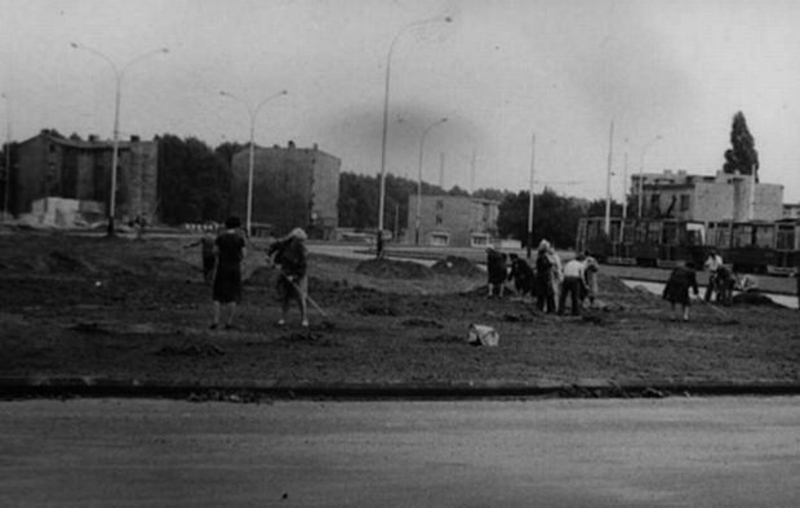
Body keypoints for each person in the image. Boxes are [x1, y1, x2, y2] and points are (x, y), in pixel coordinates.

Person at [268, 227, 309, 327]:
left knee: (300, 296)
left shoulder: (302, 251)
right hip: (285, 272)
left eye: (302, 240)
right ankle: (283, 318)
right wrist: (269, 257)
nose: (300, 242)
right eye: (298, 240)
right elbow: (273, 247)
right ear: (293, 238)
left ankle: (304, 318)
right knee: (285, 296)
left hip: (298, 274)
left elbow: (303, 267)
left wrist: (294, 276)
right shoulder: (284, 244)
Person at [211, 216, 246, 330]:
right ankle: (229, 322)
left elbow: (214, 251)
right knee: (233, 296)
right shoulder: (240, 239)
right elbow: (244, 255)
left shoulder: (220, 238)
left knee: (217, 296)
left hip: (222, 267)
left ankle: (215, 321)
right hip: (235, 268)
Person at [535, 240, 557, 313]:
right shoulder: (543, 257)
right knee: (549, 294)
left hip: (541, 277)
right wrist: (551, 264)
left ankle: (540, 308)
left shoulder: (540, 257)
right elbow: (545, 265)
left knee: (541, 294)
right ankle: (550, 309)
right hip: (545, 277)